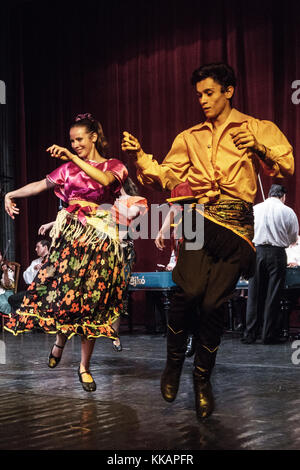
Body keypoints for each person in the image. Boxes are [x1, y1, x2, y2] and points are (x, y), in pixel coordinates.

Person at [121, 62, 294, 420]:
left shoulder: (258, 128)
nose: (202, 100)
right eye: (199, 94)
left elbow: (286, 167)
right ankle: (172, 364)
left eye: (209, 93)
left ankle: (202, 379)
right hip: (199, 218)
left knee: (214, 304)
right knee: (187, 292)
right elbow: (167, 177)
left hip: (236, 226)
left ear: (229, 91)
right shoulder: (189, 137)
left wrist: (259, 147)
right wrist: (141, 157)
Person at [4, 113, 128, 392]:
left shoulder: (113, 165)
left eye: (80, 140)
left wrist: (72, 158)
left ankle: (84, 366)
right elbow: (39, 185)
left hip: (99, 241)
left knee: (91, 305)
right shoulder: (68, 170)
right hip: (71, 239)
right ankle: (60, 341)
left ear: (94, 137)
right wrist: (10, 194)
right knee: (66, 297)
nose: (75, 145)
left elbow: (106, 181)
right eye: (72, 141)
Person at [242, 184, 298, 344]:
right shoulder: (288, 211)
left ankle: (250, 334)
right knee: (273, 295)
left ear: (269, 194)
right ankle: (268, 335)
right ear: (283, 196)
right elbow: (293, 237)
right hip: (277, 254)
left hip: (257, 252)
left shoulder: (255, 209)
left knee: (253, 295)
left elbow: (247, 231)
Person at [110, 177, 148, 351]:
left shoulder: (138, 200)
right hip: (108, 250)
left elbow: (132, 214)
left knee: (119, 291)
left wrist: (117, 204)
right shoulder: (113, 203)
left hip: (124, 251)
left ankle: (114, 334)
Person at [8, 239, 50, 314]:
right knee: (11, 299)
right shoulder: (35, 262)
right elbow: (26, 278)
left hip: (47, 291)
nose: (35, 249)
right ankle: (27, 310)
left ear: (45, 247)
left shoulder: (52, 259)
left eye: (38, 247)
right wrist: (34, 269)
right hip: (34, 290)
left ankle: (28, 310)